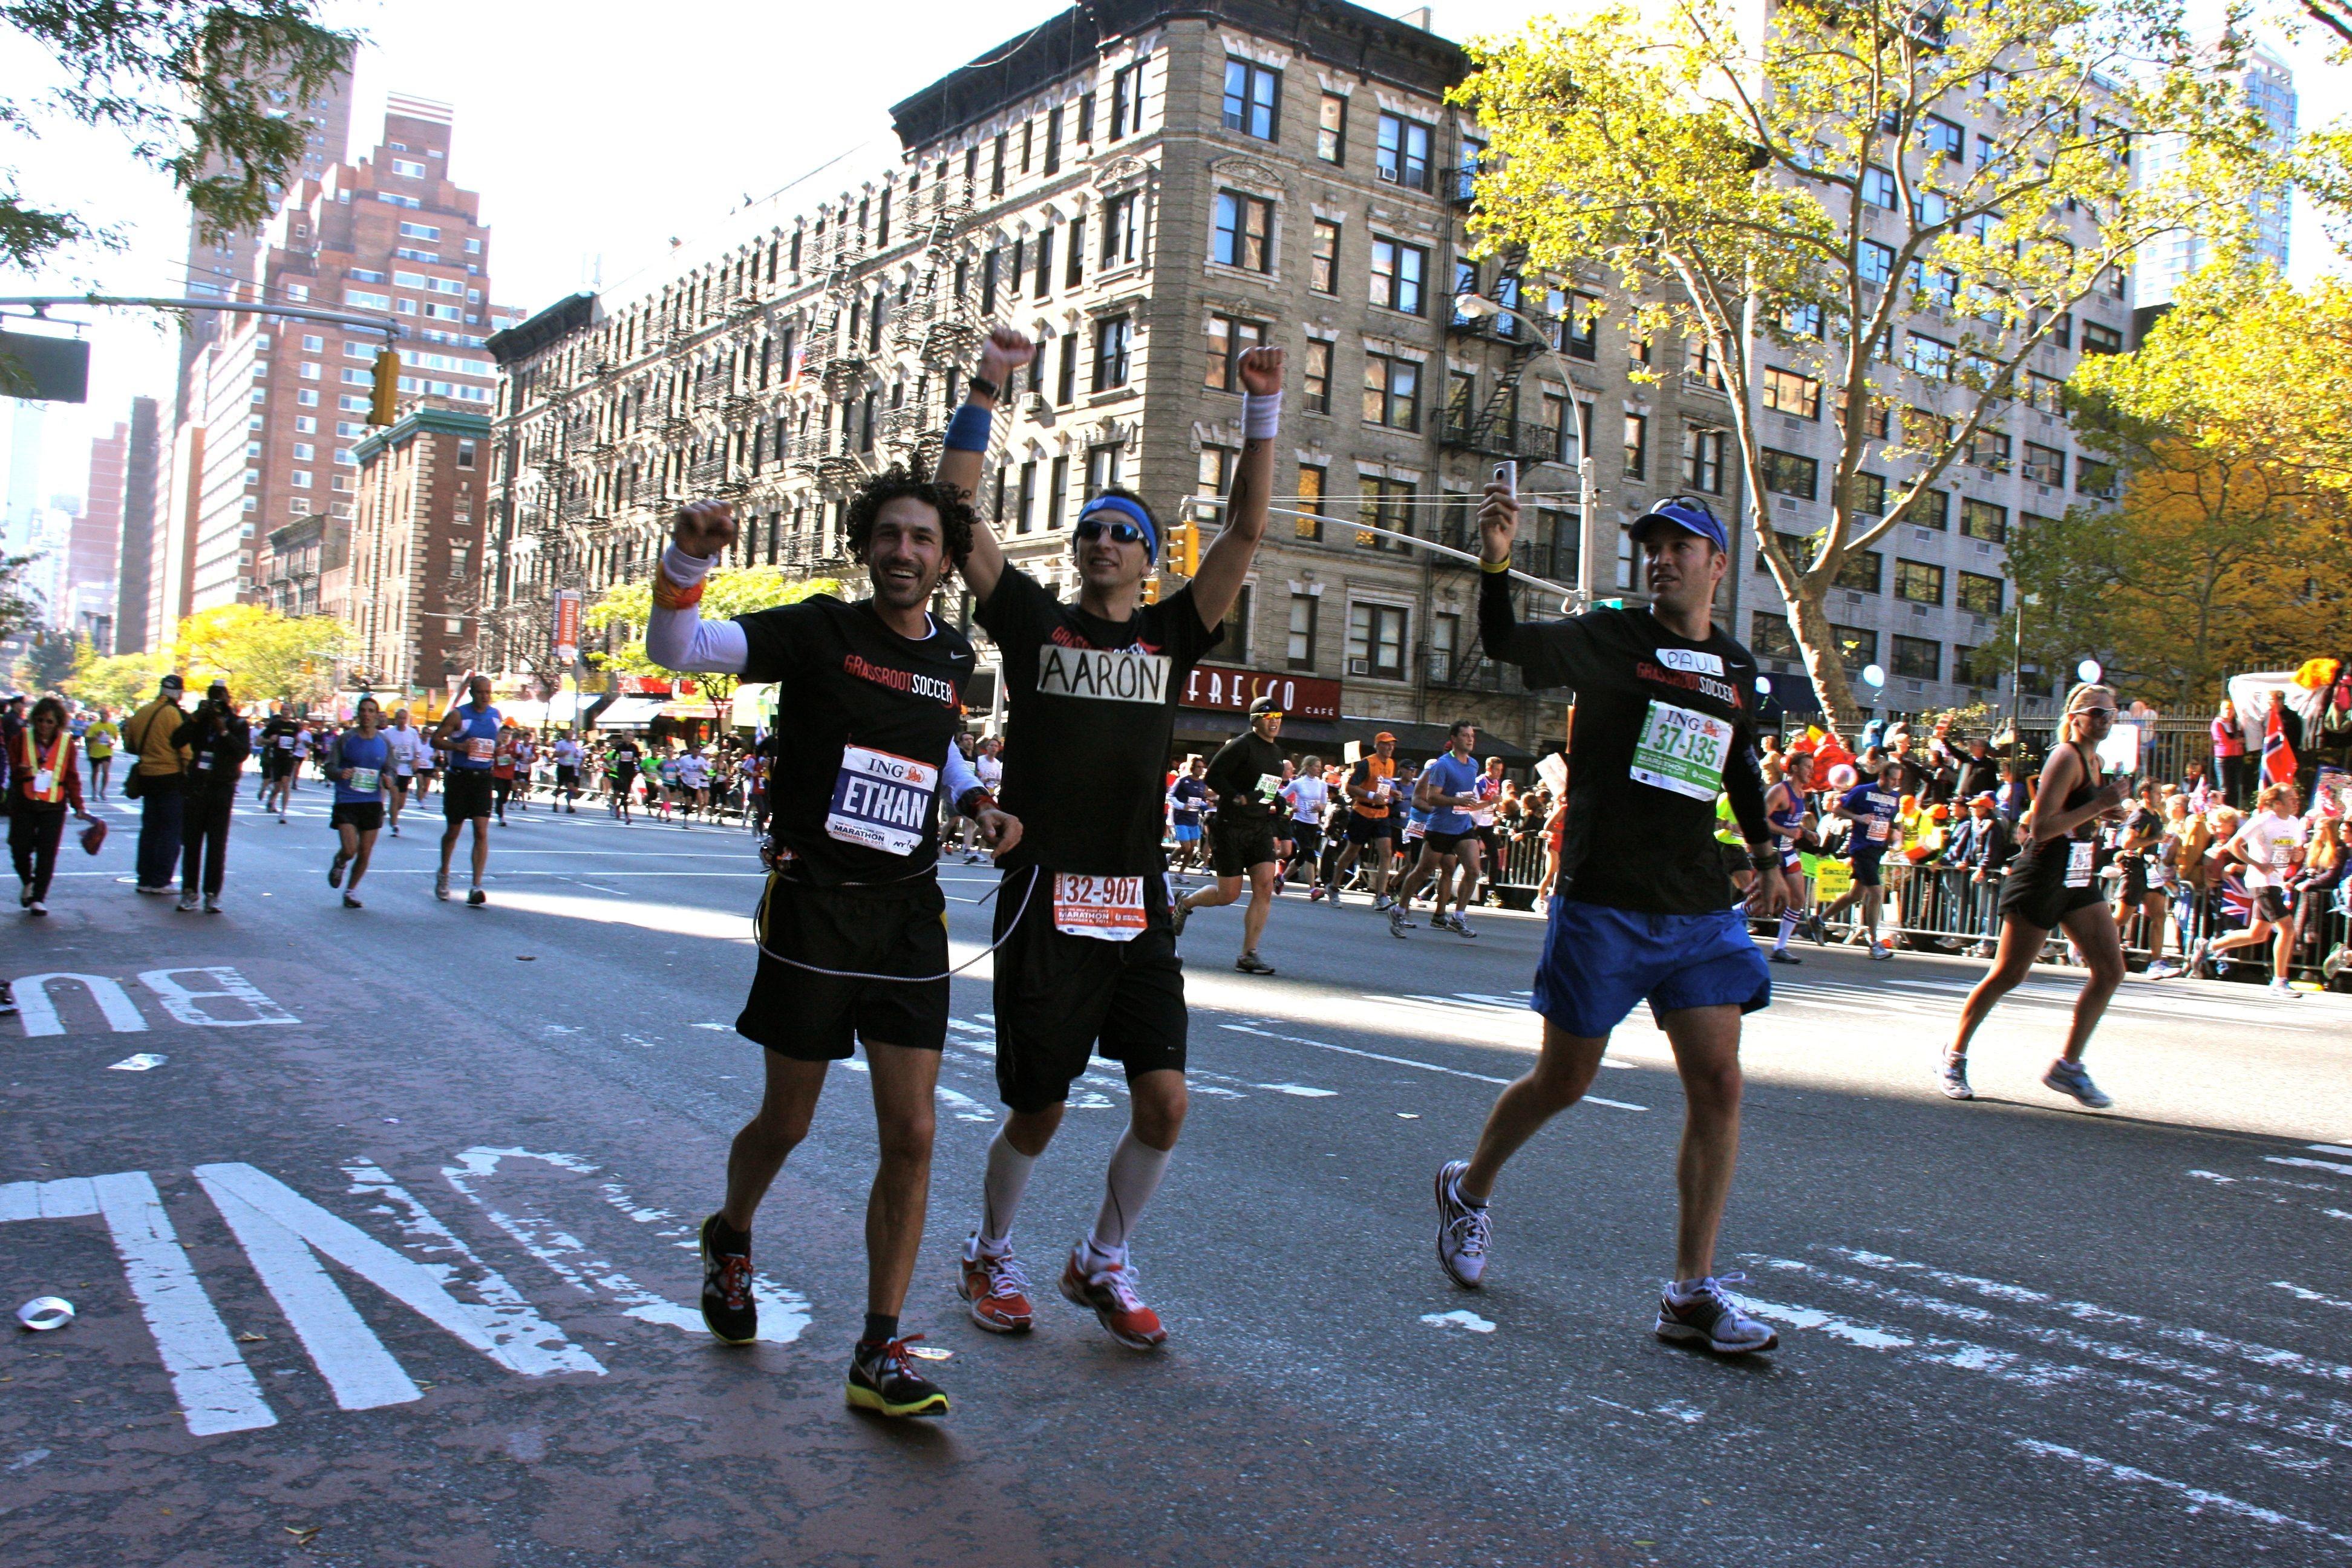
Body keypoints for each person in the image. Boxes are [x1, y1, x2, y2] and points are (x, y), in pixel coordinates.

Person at [647, 479, 1021, 1422]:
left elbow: (934, 743)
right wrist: (689, 561)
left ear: (945, 559)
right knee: (788, 1123)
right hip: (814, 912)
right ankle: (732, 1234)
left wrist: (976, 798)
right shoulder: (820, 631)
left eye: (924, 539)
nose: (906, 551)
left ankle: (879, 1348)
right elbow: (679, 647)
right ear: (867, 548)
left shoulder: (952, 651)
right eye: (890, 535)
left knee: (916, 1134)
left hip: (906, 919)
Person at [937, 327, 1280, 1354]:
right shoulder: (1038, 627)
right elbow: (958, 521)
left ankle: (1100, 1256)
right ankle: (988, 1249)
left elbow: (1248, 530)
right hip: (1044, 894)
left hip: (1132, 900)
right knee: (1037, 1111)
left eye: (1120, 532)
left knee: (1164, 1102)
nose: (1100, 542)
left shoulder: (1171, 634)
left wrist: (1261, 410)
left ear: (1146, 556)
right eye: (1088, 530)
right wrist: (987, 388)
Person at [1434, 489, 1786, 1355]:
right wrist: (1496, 562)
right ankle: (1469, 1190)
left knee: (1720, 1084)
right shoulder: (1614, 637)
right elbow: (1512, 645)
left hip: (1698, 903)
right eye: (1651, 546)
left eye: (1680, 546)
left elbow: (1739, 758)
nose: (1661, 559)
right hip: (1606, 899)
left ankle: (1690, 1293)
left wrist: (1770, 855)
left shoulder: (1737, 669)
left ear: (1717, 563)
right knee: (1565, 1081)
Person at [1940, 683, 2132, 1105]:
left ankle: (2068, 1066)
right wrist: (2100, 805)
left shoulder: (2095, 761)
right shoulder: (2065, 757)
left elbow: (2080, 816)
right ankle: (1954, 1055)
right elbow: (2041, 826)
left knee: (2110, 969)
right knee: (2009, 974)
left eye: (2112, 714)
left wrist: (2107, 812)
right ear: (2076, 716)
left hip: (2078, 876)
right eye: (2098, 712)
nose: (2106, 720)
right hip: (2044, 874)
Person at [1172, 695, 1287, 974]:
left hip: (1259, 827)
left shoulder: (1275, 754)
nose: (1274, 723)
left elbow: (1266, 789)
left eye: (1278, 718)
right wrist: (1236, 797)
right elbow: (1213, 777)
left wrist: (1277, 800)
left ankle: (1248, 954)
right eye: (1268, 718)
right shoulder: (1241, 745)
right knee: (1228, 894)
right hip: (1229, 826)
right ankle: (1185, 903)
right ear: (1256, 720)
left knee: (1264, 889)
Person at [2191, 781, 2308, 994]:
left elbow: (2295, 852)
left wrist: (2297, 855)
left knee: (2257, 934)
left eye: (2296, 798)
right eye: (2291, 798)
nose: (2296, 802)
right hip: (2262, 882)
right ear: (2277, 803)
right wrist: (2257, 864)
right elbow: (2234, 845)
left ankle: (2207, 947)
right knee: (2287, 928)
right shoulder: (2263, 821)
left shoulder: (2294, 822)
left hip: (2276, 881)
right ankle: (2279, 981)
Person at [8, 697, 98, 916]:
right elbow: (11, 767)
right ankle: (28, 881)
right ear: (33, 719)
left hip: (54, 804)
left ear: (58, 723)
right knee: (19, 847)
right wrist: (20, 769)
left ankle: (39, 897)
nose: (44, 726)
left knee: (48, 851)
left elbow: (72, 776)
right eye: (40, 720)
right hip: (25, 801)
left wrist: (78, 805)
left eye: (49, 722)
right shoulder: (21, 738)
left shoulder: (67, 743)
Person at [173, 681, 251, 914]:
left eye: (221, 697)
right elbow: (176, 740)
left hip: (222, 788)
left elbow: (241, 753)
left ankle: (212, 893)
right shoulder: (200, 722)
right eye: (212, 698)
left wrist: (223, 730)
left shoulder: (238, 724)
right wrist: (196, 718)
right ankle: (189, 891)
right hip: (197, 786)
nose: (217, 702)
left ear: (228, 699)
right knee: (192, 843)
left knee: (217, 845)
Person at [432, 675, 500, 905]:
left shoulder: (495, 716)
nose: (485, 697)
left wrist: (496, 750)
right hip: (460, 778)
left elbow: (494, 742)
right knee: (453, 831)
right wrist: (458, 746)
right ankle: (444, 873)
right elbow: (435, 739)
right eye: (481, 692)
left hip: (483, 779)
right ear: (472, 693)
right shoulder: (459, 715)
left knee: (481, 831)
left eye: (488, 692)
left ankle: (476, 886)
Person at [1826, 754, 1903, 959]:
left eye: (1898, 780)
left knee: (1856, 895)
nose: (1895, 784)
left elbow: (1891, 820)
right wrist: (1858, 817)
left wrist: (1895, 835)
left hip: (1877, 849)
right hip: (1861, 847)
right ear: (1883, 776)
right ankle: (1874, 943)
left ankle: (1820, 920)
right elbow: (1838, 809)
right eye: (1893, 779)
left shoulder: (1895, 798)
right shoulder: (1862, 791)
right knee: (1876, 894)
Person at [123, 675, 189, 894]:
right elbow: (185, 750)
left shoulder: (141, 712)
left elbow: (130, 745)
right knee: (171, 830)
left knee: (150, 829)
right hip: (170, 777)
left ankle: (144, 878)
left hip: (146, 776)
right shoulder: (173, 714)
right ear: (178, 693)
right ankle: (161, 880)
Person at [324, 697, 392, 908]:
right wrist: (339, 772)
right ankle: (341, 861)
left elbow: (391, 768)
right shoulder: (346, 739)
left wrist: (389, 778)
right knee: (350, 849)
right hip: (347, 799)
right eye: (363, 710)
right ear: (358, 714)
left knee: (365, 851)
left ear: (377, 715)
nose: (366, 714)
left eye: (371, 711)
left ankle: (351, 891)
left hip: (372, 801)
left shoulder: (384, 742)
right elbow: (329, 767)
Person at [1327, 732, 1403, 907]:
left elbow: (1382, 786)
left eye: (1392, 744)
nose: (1390, 747)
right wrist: (1370, 795)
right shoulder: (1367, 763)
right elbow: (1349, 787)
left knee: (1386, 853)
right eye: (1386, 744)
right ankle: (1334, 886)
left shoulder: (1391, 763)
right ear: (1378, 746)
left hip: (1382, 813)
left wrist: (1392, 793)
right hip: (1363, 812)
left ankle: (1381, 895)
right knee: (1352, 851)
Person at [1762, 751, 1815, 964]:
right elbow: (1761, 819)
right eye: (1807, 767)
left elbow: (1790, 821)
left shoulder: (1802, 794)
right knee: (1759, 904)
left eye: (1812, 768)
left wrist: (1806, 831)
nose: (1811, 772)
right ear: (1794, 768)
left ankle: (1780, 946)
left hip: (1789, 852)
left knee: (1798, 900)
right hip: (1771, 852)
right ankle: (1718, 925)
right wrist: (1786, 832)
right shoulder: (1780, 791)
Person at [1283, 754, 1330, 893]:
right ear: (1308, 767)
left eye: (1320, 767)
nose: (1319, 769)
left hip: (1313, 823)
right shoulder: (1298, 783)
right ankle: (1313, 890)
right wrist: (1291, 807)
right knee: (1310, 855)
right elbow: (1281, 797)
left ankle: (1282, 878)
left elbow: (1324, 803)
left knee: (1300, 859)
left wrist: (1320, 807)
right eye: (1316, 766)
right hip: (1299, 821)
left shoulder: (1322, 784)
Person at [1165, 756, 1211, 877]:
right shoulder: (1182, 781)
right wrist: (1181, 805)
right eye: (1199, 767)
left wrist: (1205, 805)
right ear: (1193, 768)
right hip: (1181, 818)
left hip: (1193, 819)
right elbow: (1170, 796)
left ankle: (1181, 873)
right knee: (1186, 847)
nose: (1201, 770)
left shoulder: (1202, 784)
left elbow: (1199, 801)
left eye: (1203, 767)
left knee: (1192, 849)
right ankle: (1169, 858)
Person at [384, 707, 426, 837]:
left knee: (401, 803)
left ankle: (393, 813)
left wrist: (416, 760)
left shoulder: (412, 733)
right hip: (393, 769)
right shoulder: (388, 733)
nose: (402, 721)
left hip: (406, 770)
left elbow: (417, 751)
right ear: (395, 719)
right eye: (399, 718)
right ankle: (395, 825)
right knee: (395, 797)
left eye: (404, 718)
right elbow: (384, 750)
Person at [257, 707, 301, 818]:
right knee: (278, 787)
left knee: (286, 784)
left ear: (291, 712)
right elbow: (258, 741)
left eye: (288, 710)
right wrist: (270, 741)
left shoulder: (294, 726)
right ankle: (271, 798)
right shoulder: (274, 725)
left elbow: (297, 739)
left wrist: (296, 741)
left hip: (289, 758)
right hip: (276, 758)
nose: (286, 712)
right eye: (284, 710)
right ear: (281, 711)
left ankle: (283, 813)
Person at [2212, 697, 2248, 809]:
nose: (2229, 711)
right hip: (2224, 759)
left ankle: (2234, 810)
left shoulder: (2237, 723)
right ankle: (2224, 810)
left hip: (2237, 758)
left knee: (2236, 788)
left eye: (2231, 709)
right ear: (2221, 710)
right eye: (2226, 709)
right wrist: (2238, 741)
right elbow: (2224, 742)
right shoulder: (2218, 724)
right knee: (2225, 788)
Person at [81, 708, 117, 800]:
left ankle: (103, 791)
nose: (103, 716)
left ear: (108, 716)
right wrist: (97, 736)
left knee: (105, 771)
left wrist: (112, 743)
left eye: (105, 714)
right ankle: (94, 791)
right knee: (95, 772)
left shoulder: (112, 726)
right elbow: (88, 739)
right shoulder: (94, 726)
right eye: (102, 714)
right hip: (95, 752)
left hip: (107, 751)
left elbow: (115, 738)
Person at [607, 733, 642, 822]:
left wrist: (637, 760)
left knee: (626, 794)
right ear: (624, 737)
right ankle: (627, 816)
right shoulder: (620, 746)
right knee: (625, 791)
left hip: (630, 771)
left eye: (631, 736)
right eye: (628, 735)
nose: (629, 737)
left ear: (633, 738)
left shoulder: (635, 747)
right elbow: (614, 756)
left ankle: (618, 807)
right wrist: (613, 762)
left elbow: (639, 759)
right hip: (621, 771)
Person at [552, 732, 584, 812]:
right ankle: (555, 802)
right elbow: (555, 754)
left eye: (571, 734)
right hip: (562, 766)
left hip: (570, 767)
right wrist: (563, 753)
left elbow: (574, 754)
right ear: (566, 735)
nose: (569, 736)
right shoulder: (560, 743)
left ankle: (569, 805)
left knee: (571, 786)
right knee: (559, 786)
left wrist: (576, 755)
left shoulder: (573, 744)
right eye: (568, 734)